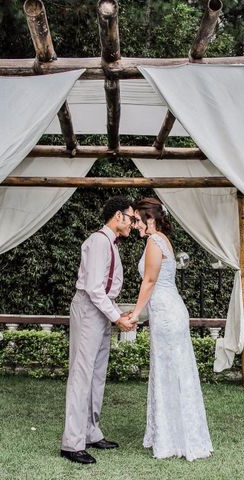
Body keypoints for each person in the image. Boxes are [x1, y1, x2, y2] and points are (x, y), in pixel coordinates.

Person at [129, 197, 213, 461]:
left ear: (150, 220)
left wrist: (134, 313)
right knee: (173, 371)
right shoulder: (161, 240)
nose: (134, 226)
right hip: (168, 310)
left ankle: (176, 438)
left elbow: (150, 281)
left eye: (137, 221)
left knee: (171, 372)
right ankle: (174, 434)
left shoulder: (155, 242)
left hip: (166, 313)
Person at [60, 196, 137, 465]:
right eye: (131, 218)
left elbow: (107, 288)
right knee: (82, 374)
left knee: (97, 374)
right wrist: (117, 317)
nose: (133, 223)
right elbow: (94, 288)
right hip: (89, 307)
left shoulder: (111, 244)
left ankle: (91, 432)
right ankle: (72, 443)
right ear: (118, 216)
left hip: (102, 309)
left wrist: (118, 312)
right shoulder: (97, 242)